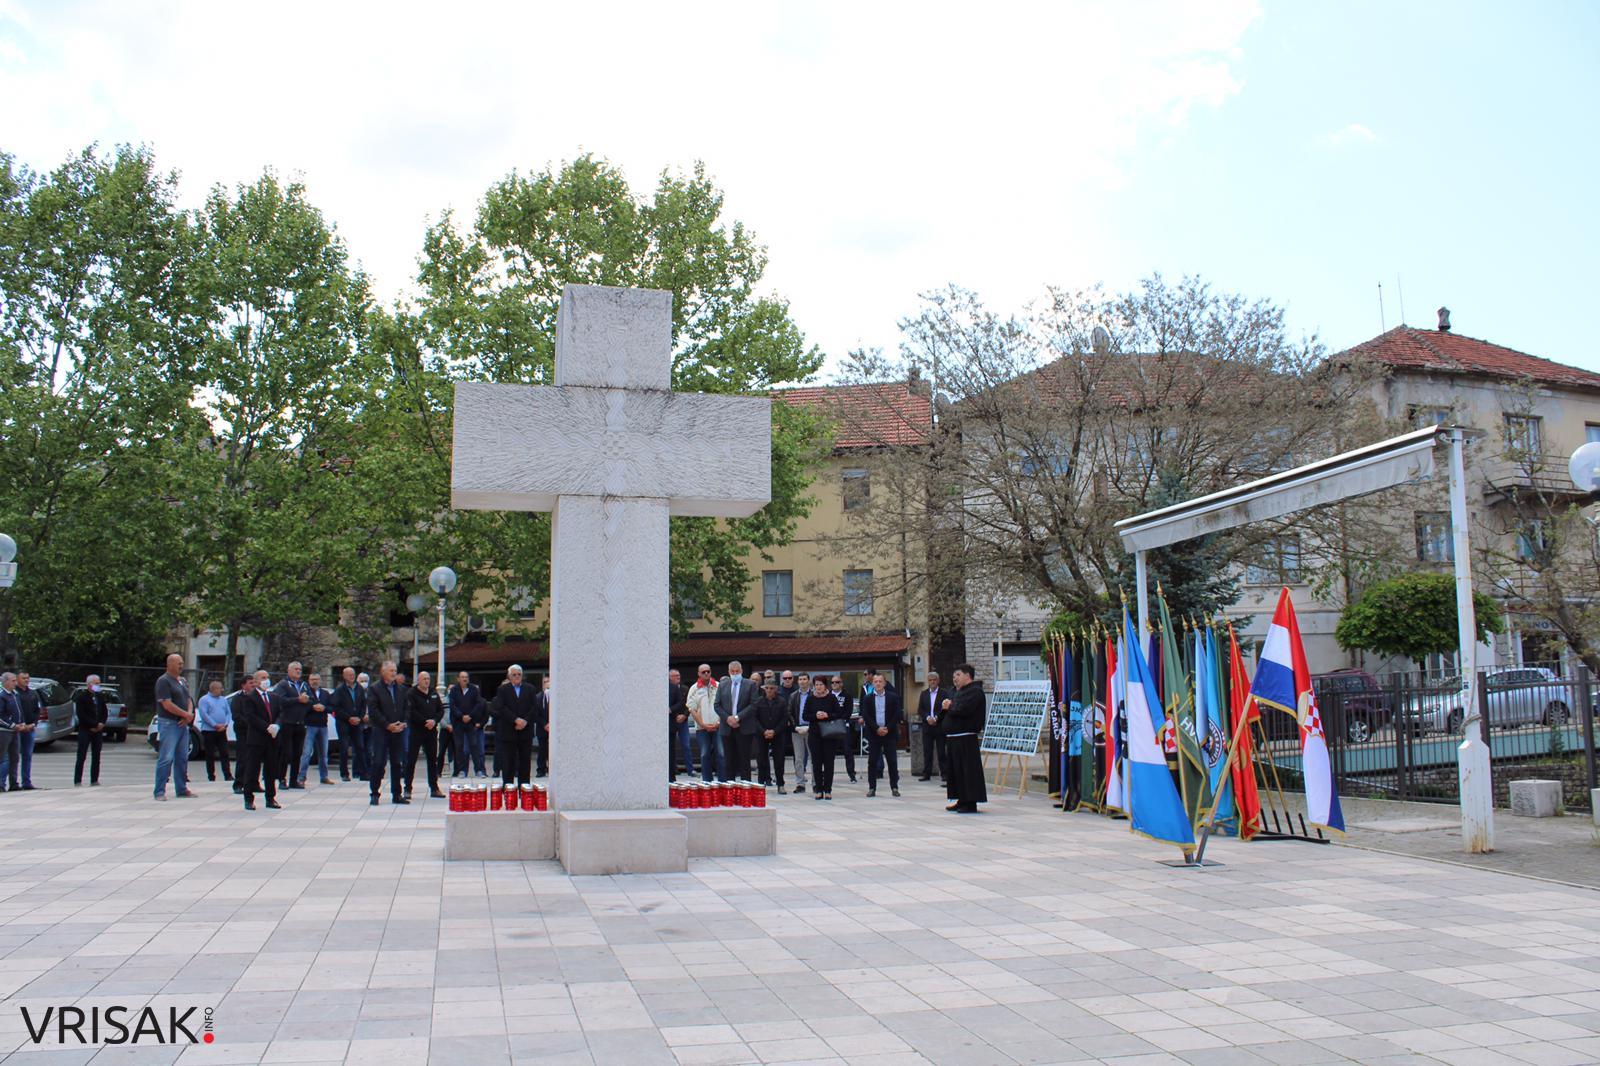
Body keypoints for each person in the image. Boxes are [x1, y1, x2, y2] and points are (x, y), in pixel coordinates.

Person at [942, 664, 988, 813]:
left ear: (968, 676)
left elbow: (963, 709)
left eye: (958, 674)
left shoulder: (975, 692)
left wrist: (950, 706)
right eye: (954, 675)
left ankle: (970, 802)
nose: (955, 678)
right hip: (953, 738)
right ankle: (961, 799)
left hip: (966, 738)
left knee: (967, 771)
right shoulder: (956, 692)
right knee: (956, 772)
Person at [233, 670, 282, 810]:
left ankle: (271, 798)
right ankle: (248, 799)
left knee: (271, 769)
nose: (266, 680)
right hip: (256, 738)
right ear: (255, 681)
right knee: (252, 769)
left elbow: (280, 713)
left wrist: (277, 725)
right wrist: (267, 727)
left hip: (271, 739)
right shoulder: (250, 697)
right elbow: (250, 717)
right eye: (263, 678)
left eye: (267, 677)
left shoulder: (274, 697)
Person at [153, 653, 198, 800]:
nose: (181, 666)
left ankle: (182, 788)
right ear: (169, 664)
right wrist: (185, 714)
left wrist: (188, 714)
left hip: (182, 724)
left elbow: (189, 699)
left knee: (182, 757)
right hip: (169, 723)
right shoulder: (163, 681)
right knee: (166, 757)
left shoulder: (182, 681)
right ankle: (159, 791)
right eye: (178, 663)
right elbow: (166, 704)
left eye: (182, 663)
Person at [366, 662, 409, 805]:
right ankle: (374, 793)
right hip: (381, 731)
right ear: (383, 672)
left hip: (397, 730)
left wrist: (403, 722)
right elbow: (373, 711)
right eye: (391, 670)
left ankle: (397, 794)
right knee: (378, 762)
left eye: (395, 670)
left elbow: (406, 707)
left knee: (397, 763)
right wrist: (387, 725)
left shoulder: (401, 689)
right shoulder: (374, 689)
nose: (393, 673)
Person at [491, 665, 538, 786]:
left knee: (525, 761)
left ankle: (524, 789)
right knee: (508, 761)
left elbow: (534, 707)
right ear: (509, 676)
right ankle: (508, 788)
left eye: (519, 674)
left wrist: (524, 721)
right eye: (514, 675)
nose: (517, 677)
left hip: (525, 730)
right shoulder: (503, 689)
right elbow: (501, 707)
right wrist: (515, 719)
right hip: (509, 730)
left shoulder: (530, 689)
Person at [861, 671, 903, 797]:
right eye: (875, 682)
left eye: (880, 681)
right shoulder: (867, 698)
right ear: (872, 683)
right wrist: (876, 728)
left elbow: (896, 714)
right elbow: (866, 715)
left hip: (889, 733)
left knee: (892, 761)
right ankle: (872, 787)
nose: (878, 684)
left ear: (884, 683)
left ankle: (894, 787)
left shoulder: (893, 697)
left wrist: (887, 728)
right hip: (874, 733)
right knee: (872, 761)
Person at [404, 671, 446, 799]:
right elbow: (411, 711)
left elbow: (440, 710)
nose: (427, 681)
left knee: (432, 760)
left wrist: (434, 721)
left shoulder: (433, 693)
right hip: (417, 731)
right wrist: (424, 721)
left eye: (428, 679)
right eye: (424, 679)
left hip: (431, 731)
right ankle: (407, 788)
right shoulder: (411, 693)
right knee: (411, 760)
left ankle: (434, 787)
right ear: (418, 680)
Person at [715, 660, 758, 782]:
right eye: (732, 672)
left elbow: (754, 704)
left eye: (737, 671)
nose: (735, 674)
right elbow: (717, 705)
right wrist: (727, 718)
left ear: (741, 671)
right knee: (729, 761)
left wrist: (738, 717)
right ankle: (730, 790)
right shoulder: (723, 685)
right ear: (728, 672)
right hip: (727, 728)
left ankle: (745, 791)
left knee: (744, 761)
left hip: (744, 727)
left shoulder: (750, 685)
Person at [272, 661, 311, 789]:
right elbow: (279, 701)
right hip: (287, 723)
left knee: (297, 753)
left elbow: (310, 700)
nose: (299, 671)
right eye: (296, 669)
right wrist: (297, 700)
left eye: (300, 669)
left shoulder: (304, 685)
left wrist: (306, 702)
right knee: (286, 752)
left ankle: (294, 780)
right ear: (289, 671)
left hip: (300, 723)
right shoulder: (283, 685)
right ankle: (282, 779)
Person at [73, 675, 111, 786]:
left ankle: (94, 779)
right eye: (96, 684)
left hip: (98, 731)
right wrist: (93, 724)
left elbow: (104, 711)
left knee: (96, 755)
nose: (98, 686)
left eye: (99, 684)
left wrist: (101, 723)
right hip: (86, 729)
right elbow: (81, 715)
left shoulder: (100, 697)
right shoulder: (81, 698)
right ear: (89, 684)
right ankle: (77, 780)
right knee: (81, 755)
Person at [809, 675, 843, 801]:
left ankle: (828, 789)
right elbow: (805, 715)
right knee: (816, 763)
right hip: (814, 734)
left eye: (821, 684)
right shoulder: (811, 698)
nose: (818, 687)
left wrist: (827, 715)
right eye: (816, 685)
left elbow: (838, 714)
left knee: (829, 763)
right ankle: (818, 789)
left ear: (825, 685)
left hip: (829, 735)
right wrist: (815, 715)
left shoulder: (832, 698)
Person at [448, 671, 488, 778]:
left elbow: (478, 704)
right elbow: (452, 705)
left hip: (471, 722)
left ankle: (479, 770)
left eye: (466, 677)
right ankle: (462, 770)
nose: (465, 679)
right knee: (460, 747)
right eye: (462, 677)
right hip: (458, 723)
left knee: (474, 746)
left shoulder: (474, 689)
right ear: (458, 679)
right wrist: (461, 716)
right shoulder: (453, 690)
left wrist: (470, 716)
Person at [685, 664, 721, 782]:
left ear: (711, 672)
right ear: (698, 674)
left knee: (721, 754)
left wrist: (719, 723)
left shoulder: (719, 686)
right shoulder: (694, 688)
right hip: (702, 728)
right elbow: (692, 710)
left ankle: (723, 781)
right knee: (705, 755)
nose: (706, 673)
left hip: (718, 727)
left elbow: (725, 707)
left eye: (708, 671)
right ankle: (707, 782)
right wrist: (703, 724)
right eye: (703, 672)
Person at [299, 672, 335, 786]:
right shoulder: (305, 693)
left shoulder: (325, 693)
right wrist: (312, 707)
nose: (314, 681)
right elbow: (302, 707)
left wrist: (324, 708)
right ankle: (301, 777)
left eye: (317, 679)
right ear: (309, 681)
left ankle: (324, 776)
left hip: (323, 726)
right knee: (307, 752)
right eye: (312, 679)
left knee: (323, 754)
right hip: (310, 725)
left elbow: (332, 707)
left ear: (320, 681)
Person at [752, 679, 789, 789]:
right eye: (767, 688)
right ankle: (761, 782)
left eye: (771, 688)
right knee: (761, 758)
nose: (769, 690)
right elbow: (754, 718)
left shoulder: (782, 701)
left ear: (776, 689)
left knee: (779, 759)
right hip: (761, 733)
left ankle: (780, 784)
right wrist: (763, 731)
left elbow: (785, 718)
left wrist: (775, 731)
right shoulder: (758, 701)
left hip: (777, 734)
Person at [333, 667, 368, 782]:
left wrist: (360, 717)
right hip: (344, 722)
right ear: (344, 676)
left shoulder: (359, 688)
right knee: (344, 748)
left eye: (353, 674)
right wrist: (349, 718)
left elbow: (363, 704)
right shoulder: (340, 689)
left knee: (360, 747)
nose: (351, 676)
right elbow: (337, 708)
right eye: (349, 674)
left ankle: (363, 773)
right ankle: (344, 774)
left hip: (357, 722)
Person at [196, 679, 233, 785]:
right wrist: (214, 725)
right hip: (209, 731)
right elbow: (204, 715)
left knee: (224, 753)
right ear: (213, 689)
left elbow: (228, 713)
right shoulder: (204, 700)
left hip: (221, 731)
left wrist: (225, 724)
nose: (222, 690)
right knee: (210, 754)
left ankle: (228, 775)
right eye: (220, 688)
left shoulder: (223, 699)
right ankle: (211, 776)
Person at [916, 671, 948, 783]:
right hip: (927, 726)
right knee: (927, 751)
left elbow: (945, 709)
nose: (932, 682)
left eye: (934, 680)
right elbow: (920, 709)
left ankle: (944, 774)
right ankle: (926, 774)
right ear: (928, 681)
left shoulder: (944, 693)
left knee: (941, 752)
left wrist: (936, 718)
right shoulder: (923, 693)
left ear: (938, 681)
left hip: (939, 726)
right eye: (930, 680)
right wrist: (927, 717)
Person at [788, 672, 816, 794]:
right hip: (797, 730)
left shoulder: (814, 695)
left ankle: (816, 783)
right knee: (798, 758)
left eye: (805, 679)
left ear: (808, 681)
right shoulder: (793, 696)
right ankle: (800, 784)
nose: (802, 681)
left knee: (814, 758)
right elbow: (789, 712)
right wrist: (795, 727)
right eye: (800, 679)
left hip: (811, 730)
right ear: (797, 681)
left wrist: (811, 726)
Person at [12, 671, 40, 790]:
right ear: (17, 680)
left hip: (30, 728)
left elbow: (37, 710)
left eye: (27, 678)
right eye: (23, 678)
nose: (26, 680)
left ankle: (26, 782)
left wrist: (33, 724)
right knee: (13, 757)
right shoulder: (14, 694)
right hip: (17, 729)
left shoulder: (33, 693)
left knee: (27, 756)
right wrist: (20, 725)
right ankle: (12, 783)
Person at [830, 675, 858, 783]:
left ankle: (852, 774)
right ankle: (828, 774)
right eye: (832, 682)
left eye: (837, 682)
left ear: (841, 683)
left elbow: (848, 711)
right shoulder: (828, 695)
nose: (835, 684)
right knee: (830, 752)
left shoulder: (847, 696)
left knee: (848, 751)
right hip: (831, 727)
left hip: (843, 727)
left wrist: (840, 719)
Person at [667, 669, 689, 781]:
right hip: (655, 727)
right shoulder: (655, 687)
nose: (677, 677)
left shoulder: (674, 688)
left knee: (670, 751)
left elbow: (681, 702)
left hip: (670, 725)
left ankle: (671, 777)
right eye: (674, 675)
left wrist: (670, 709)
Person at [0, 673, 20, 790]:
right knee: (5, 758)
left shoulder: (14, 695)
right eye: (13, 681)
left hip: (15, 730)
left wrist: (21, 723)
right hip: (4, 731)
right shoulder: (2, 696)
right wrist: (12, 725)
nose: (15, 683)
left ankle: (14, 784)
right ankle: (1, 784)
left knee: (15, 757)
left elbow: (18, 711)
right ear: (6, 682)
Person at [535, 673, 553, 777]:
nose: (547, 684)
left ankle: (552, 769)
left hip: (553, 728)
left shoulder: (556, 696)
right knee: (542, 749)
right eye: (545, 682)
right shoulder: (537, 697)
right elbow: (535, 714)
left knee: (552, 749)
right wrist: (545, 724)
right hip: (542, 728)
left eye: (548, 681)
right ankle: (541, 769)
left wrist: (552, 724)